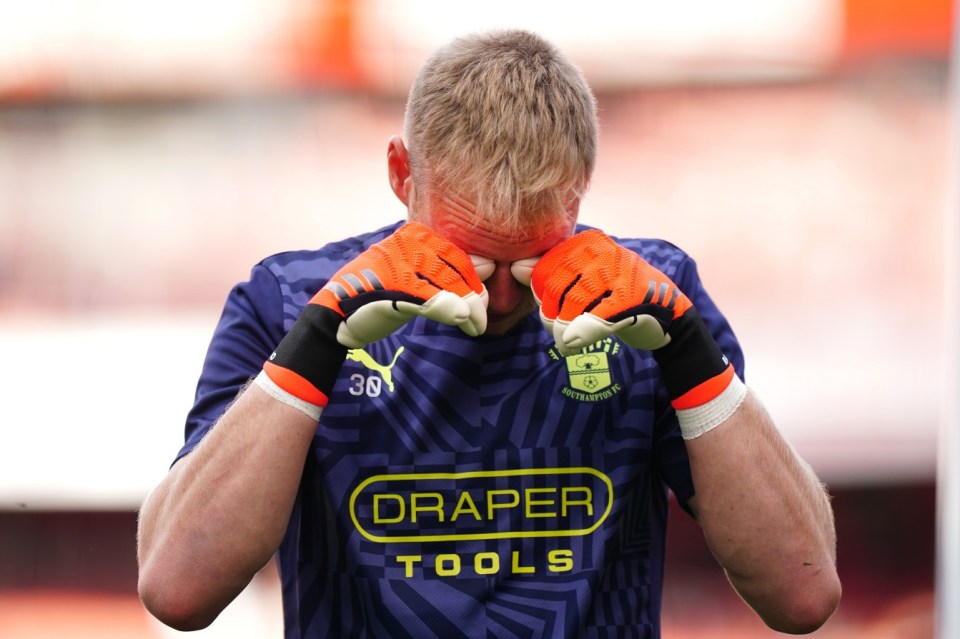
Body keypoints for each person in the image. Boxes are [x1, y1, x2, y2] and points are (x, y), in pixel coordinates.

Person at [137, 29, 841, 638]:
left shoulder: (657, 294)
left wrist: (691, 352)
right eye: (471, 257)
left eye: (532, 259)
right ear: (401, 174)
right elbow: (176, 587)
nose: (497, 293)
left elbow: (803, 592)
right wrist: (315, 345)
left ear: (580, 189)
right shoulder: (289, 301)